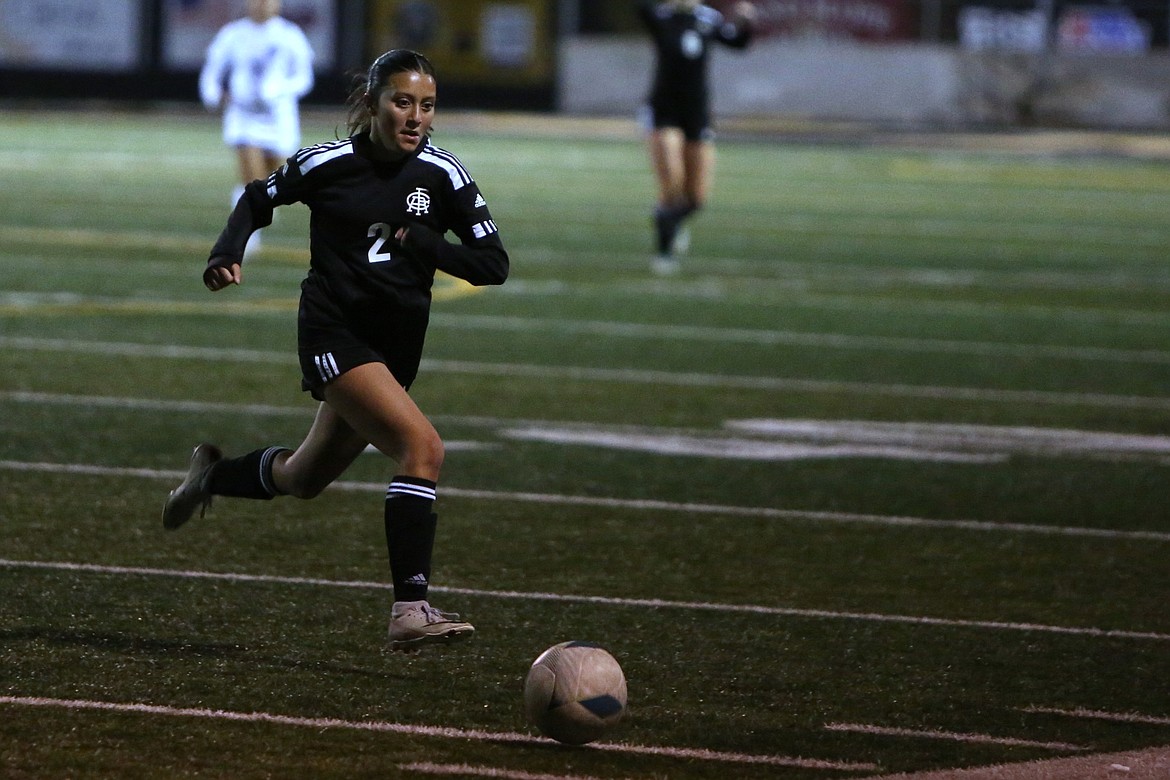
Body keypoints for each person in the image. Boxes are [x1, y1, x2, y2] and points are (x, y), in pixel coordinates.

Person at [165, 49, 510, 652]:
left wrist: (428, 244)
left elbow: (493, 264)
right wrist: (227, 252)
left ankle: (208, 479)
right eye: (402, 103)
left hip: (394, 352)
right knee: (422, 449)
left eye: (426, 106)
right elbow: (256, 198)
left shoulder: (443, 174)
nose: (415, 118)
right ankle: (410, 608)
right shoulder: (329, 165)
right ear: (372, 104)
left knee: (303, 477)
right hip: (334, 337)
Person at [637, 0, 757, 274]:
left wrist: (746, 21)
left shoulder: (709, 19)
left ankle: (668, 220)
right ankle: (664, 251)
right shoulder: (660, 16)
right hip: (664, 110)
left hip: (697, 113)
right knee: (671, 184)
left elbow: (738, 43)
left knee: (696, 198)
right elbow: (640, 9)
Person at [198, 0, 314, 258]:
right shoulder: (233, 34)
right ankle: (246, 236)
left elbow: (304, 78)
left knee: (277, 180)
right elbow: (212, 71)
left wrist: (279, 90)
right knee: (251, 178)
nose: (262, 5)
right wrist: (213, 96)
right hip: (244, 117)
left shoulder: (289, 35)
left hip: (279, 119)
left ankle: (258, 211)